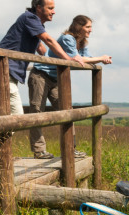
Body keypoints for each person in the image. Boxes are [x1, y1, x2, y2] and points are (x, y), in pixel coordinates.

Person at [0, 0, 84, 164]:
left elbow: (42, 50)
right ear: (38, 8)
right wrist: (67, 59)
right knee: (17, 114)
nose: (54, 12)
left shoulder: (34, 25)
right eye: (50, 8)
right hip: (3, 70)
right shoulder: (29, 18)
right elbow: (47, 39)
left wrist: (57, 59)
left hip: (5, 71)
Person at [27, 14, 112, 159]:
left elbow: (87, 60)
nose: (91, 30)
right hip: (40, 75)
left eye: (91, 27)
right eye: (88, 27)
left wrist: (98, 60)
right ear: (79, 27)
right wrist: (101, 58)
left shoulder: (82, 42)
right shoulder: (68, 39)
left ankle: (70, 149)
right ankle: (39, 150)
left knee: (68, 111)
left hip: (56, 78)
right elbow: (77, 59)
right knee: (37, 112)